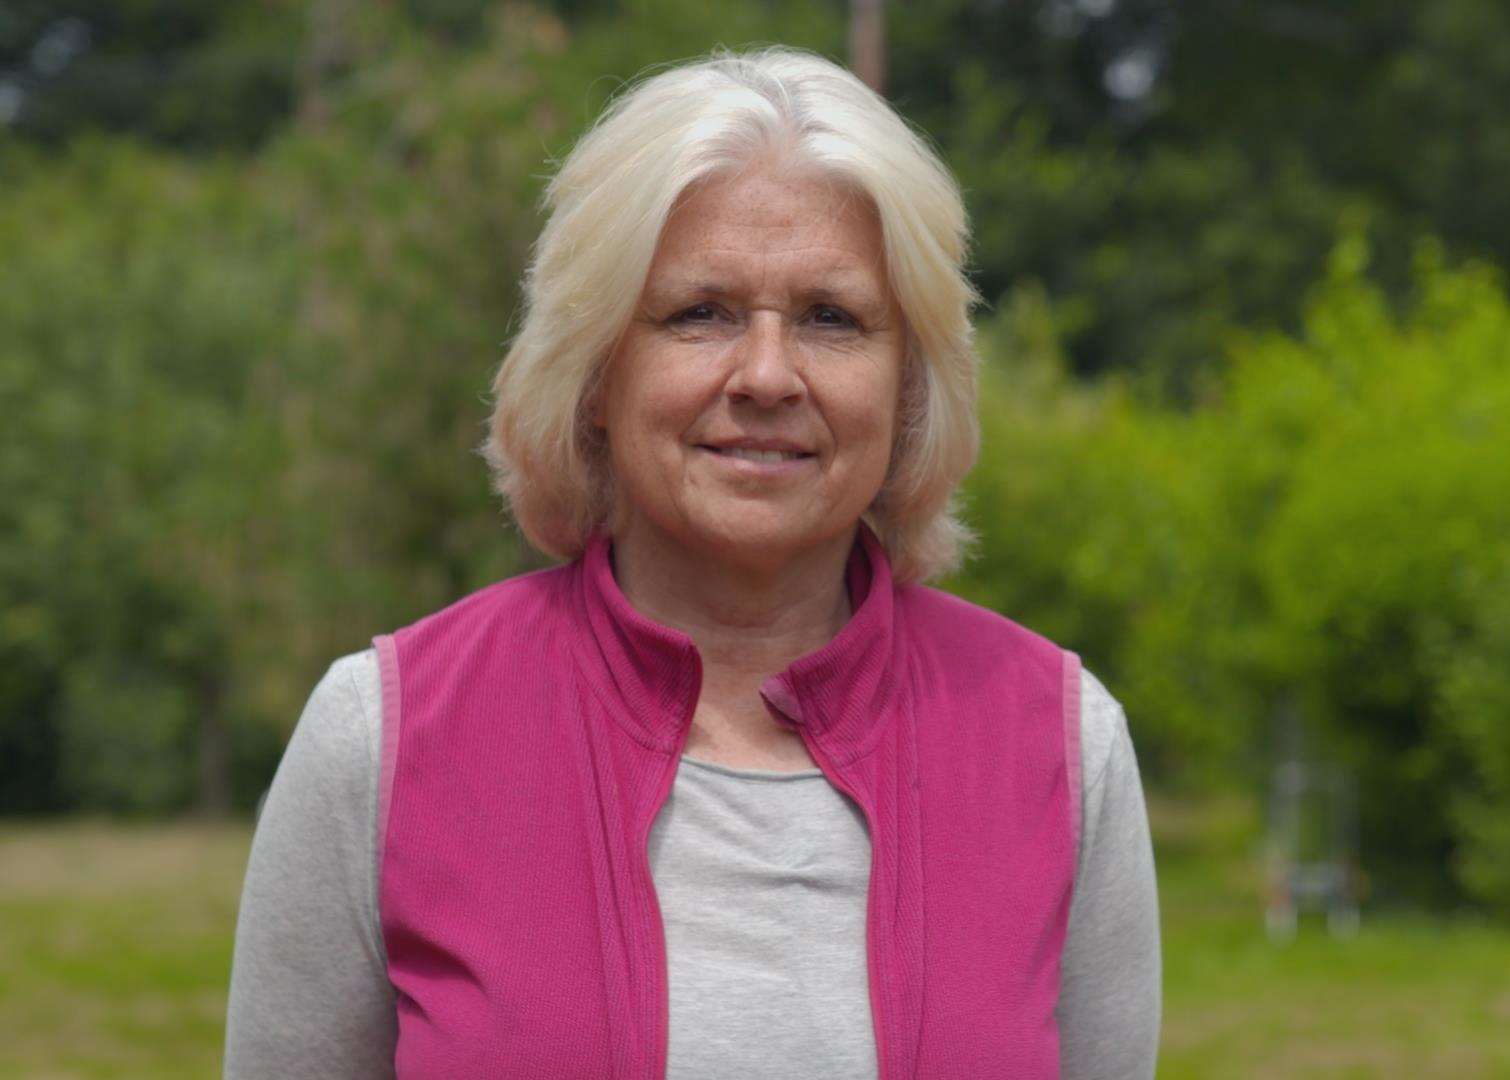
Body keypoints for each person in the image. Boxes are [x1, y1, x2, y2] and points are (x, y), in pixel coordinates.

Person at [223, 46, 1160, 1079]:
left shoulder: (1063, 742)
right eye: (699, 312)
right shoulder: (382, 736)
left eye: (832, 318)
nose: (766, 375)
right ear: (595, 368)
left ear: (910, 388)